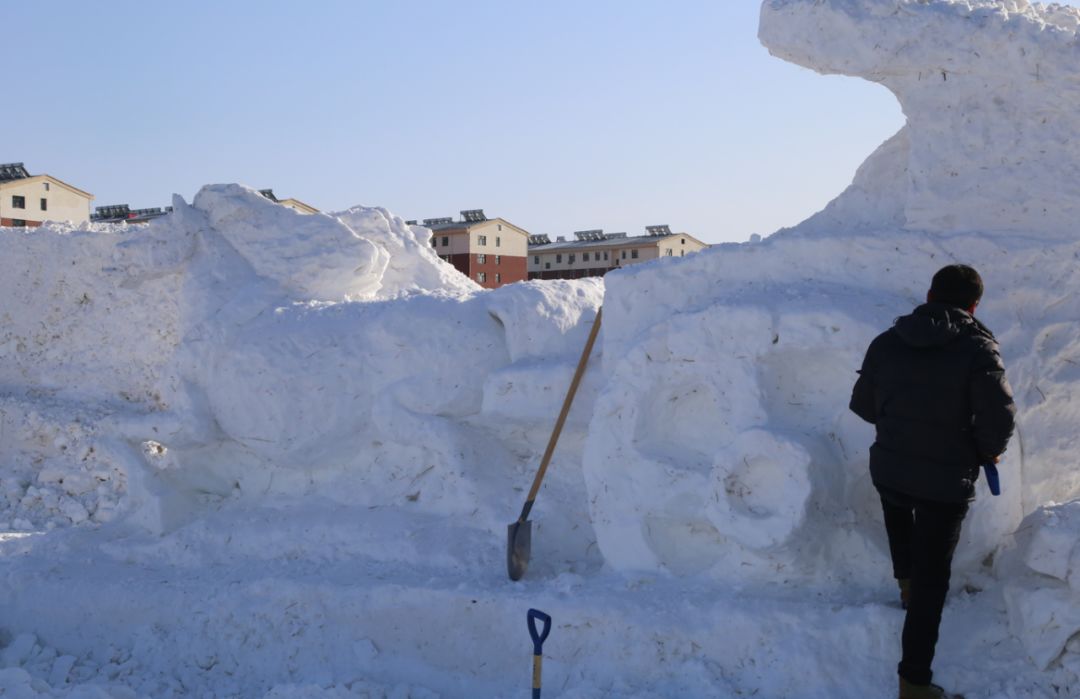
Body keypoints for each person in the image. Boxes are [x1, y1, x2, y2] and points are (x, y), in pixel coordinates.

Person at [849, 264, 1016, 699]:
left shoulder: (886, 342)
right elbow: (999, 416)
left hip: (891, 466)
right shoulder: (979, 350)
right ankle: (914, 683)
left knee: (899, 517)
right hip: (946, 478)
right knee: (932, 581)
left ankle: (905, 586)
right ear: (974, 304)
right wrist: (986, 450)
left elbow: (864, 405)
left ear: (928, 295)